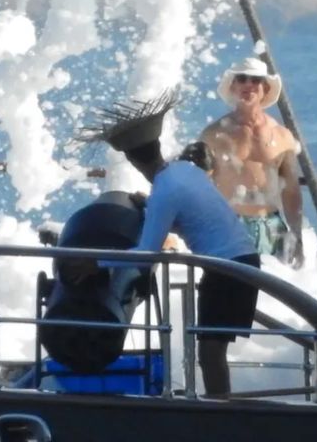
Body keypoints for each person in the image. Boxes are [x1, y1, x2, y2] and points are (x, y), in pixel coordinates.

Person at [77, 91, 260, 398]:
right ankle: (222, 408)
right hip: (243, 258)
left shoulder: (165, 192)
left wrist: (95, 262)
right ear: (158, 148)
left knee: (210, 351)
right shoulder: (184, 171)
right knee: (214, 348)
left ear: (132, 161)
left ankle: (221, 416)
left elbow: (146, 257)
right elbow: (189, 217)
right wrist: (150, 207)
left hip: (227, 268)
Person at [201, 57, 305, 268]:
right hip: (230, 227)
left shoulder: (282, 136)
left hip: (272, 228)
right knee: (233, 292)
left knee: (273, 294)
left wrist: (297, 235)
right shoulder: (214, 135)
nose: (248, 84)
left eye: (255, 80)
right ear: (233, 85)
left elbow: (291, 191)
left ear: (265, 87)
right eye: (242, 78)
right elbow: (198, 187)